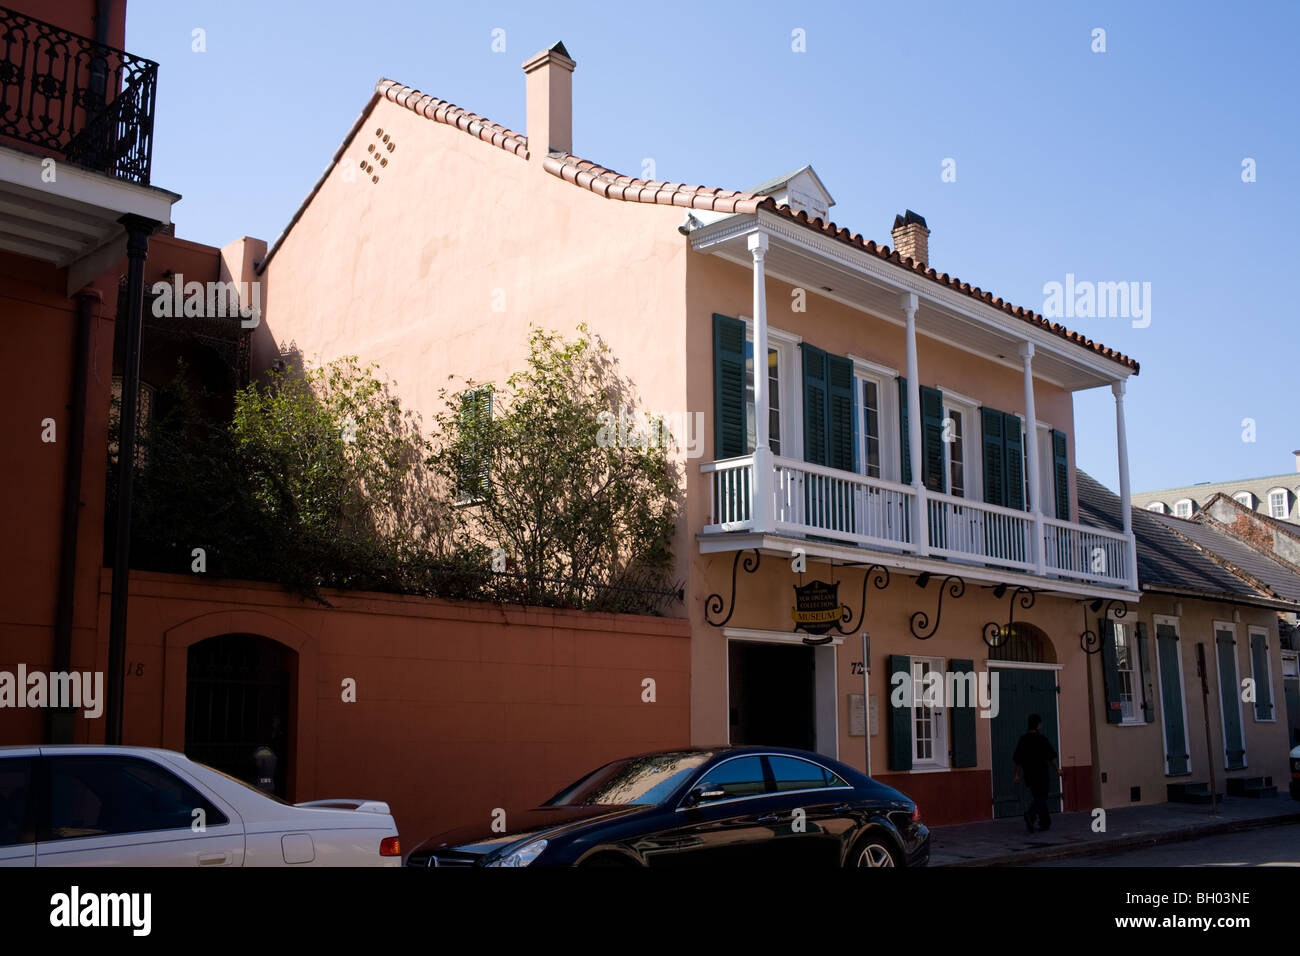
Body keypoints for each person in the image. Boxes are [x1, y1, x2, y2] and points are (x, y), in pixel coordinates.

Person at [1012, 713, 1062, 832]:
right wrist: (1057, 769)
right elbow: (1051, 757)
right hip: (1042, 773)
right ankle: (1031, 815)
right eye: (1040, 724)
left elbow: (1018, 760)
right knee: (1042, 796)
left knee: (1038, 796)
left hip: (1029, 774)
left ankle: (1045, 822)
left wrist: (1017, 774)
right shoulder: (1041, 739)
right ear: (1038, 725)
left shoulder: (1023, 740)